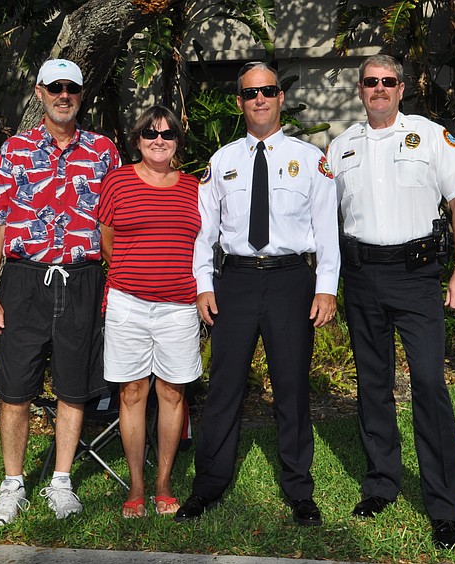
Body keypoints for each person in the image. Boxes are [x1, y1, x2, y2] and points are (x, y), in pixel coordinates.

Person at [175, 62, 340, 527]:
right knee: (225, 388)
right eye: (251, 94)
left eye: (268, 91)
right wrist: (204, 285)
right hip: (237, 282)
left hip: (291, 281)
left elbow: (327, 230)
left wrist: (326, 289)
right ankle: (207, 486)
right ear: (240, 103)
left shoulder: (311, 159)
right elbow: (203, 234)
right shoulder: (221, 161)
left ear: (280, 98)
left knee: (291, 387)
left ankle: (299, 491)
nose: (260, 99)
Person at [325, 54, 455, 549]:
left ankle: (443, 506)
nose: (379, 89)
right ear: (360, 89)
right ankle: (382, 483)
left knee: (430, 384)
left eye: (388, 82)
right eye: (371, 82)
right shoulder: (340, 146)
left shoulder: (432, 136)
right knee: (372, 384)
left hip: (416, 276)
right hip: (362, 274)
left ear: (402, 87)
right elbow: (323, 217)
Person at [0, 58, 120, 526]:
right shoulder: (13, 150)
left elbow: (110, 227)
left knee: (74, 388)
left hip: (82, 280)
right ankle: (13, 485)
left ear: (82, 94)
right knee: (15, 387)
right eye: (55, 87)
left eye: (72, 88)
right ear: (39, 92)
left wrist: (115, 285)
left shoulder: (103, 152)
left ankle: (61, 482)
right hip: (24, 282)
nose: (64, 95)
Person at [97, 105, 202, 518]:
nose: (159, 140)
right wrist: (137, 274)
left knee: (173, 393)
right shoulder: (118, 182)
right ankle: (137, 487)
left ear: (177, 142)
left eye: (168, 134)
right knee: (132, 393)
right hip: (128, 304)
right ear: (137, 140)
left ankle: (164, 484)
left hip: (179, 308)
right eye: (150, 134)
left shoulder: (195, 187)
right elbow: (106, 240)